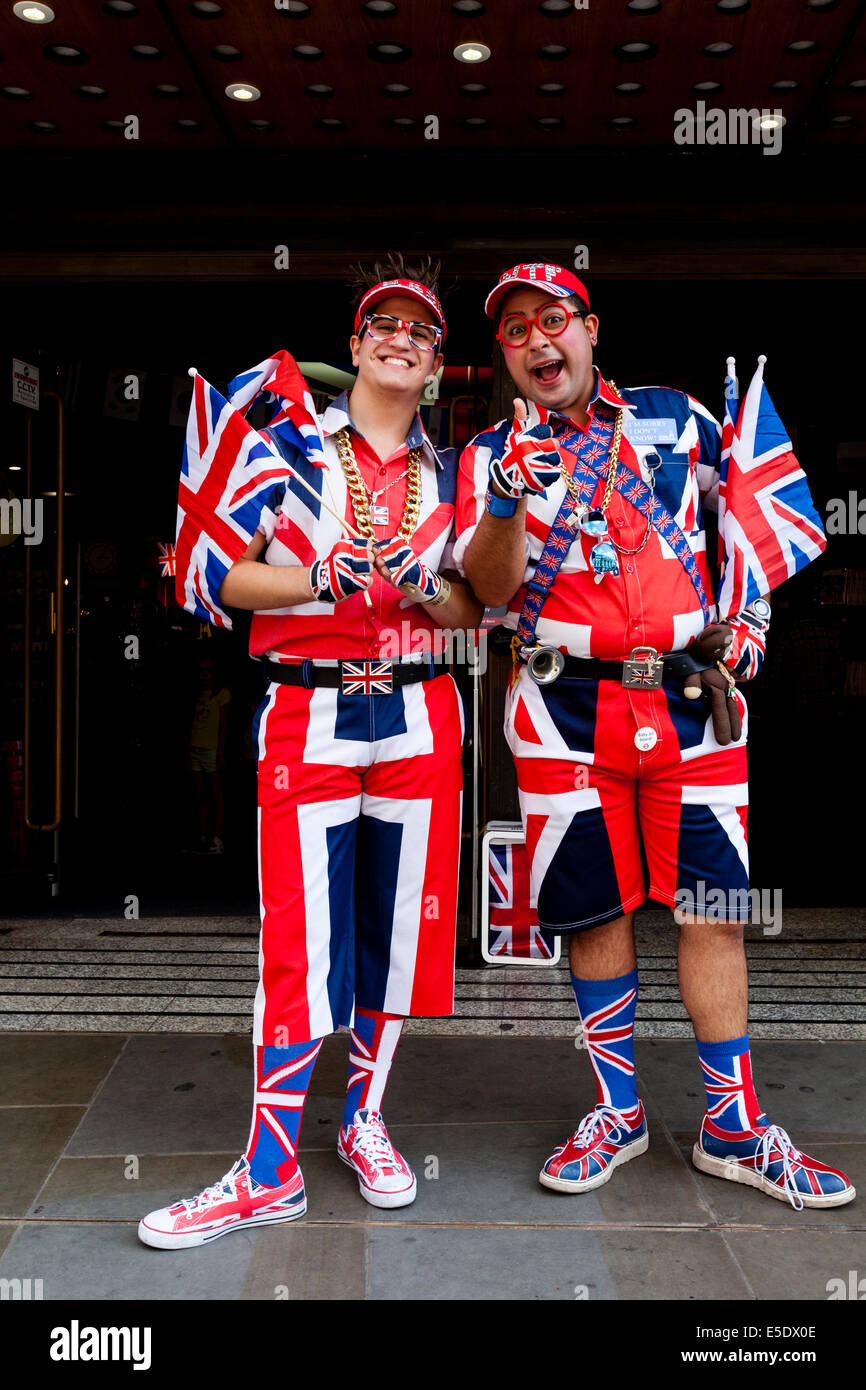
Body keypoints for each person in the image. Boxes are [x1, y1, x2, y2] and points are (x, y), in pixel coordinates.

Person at [454, 262, 854, 1211]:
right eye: (516, 333)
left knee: (714, 908)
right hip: (561, 708)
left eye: (553, 321)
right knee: (593, 911)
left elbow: (745, 528)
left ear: (590, 329)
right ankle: (619, 1113)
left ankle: (734, 1127)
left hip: (689, 696)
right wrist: (508, 498)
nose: (538, 344)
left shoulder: (679, 418)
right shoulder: (482, 457)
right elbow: (492, 590)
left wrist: (750, 619)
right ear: (506, 356)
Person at [139, 256, 482, 1248]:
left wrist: (431, 592)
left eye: (420, 331)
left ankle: (364, 1121)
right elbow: (210, 578)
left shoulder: (456, 473)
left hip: (421, 712)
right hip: (307, 711)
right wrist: (317, 581)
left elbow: (477, 608)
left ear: (434, 362)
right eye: (384, 323)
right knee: (296, 939)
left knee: (393, 933)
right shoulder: (284, 450)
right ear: (356, 344)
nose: (400, 339)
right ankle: (269, 1163)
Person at [186, 654, 230, 854]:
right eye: (201, 671)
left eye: (208, 671)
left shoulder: (222, 694)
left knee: (216, 793)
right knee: (200, 794)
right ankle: (203, 836)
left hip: (212, 750)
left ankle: (217, 838)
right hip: (196, 747)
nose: (204, 676)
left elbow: (224, 725)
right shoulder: (198, 694)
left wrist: (221, 753)